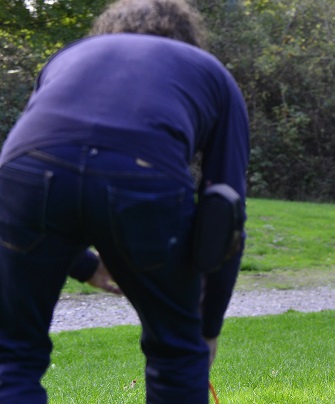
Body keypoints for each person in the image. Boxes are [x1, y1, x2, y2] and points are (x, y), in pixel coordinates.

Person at [0, 0, 248, 402]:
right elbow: (226, 210)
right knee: (175, 353)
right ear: (187, 38)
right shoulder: (212, 74)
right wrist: (204, 329)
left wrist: (85, 266)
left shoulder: (71, 55)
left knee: (11, 355)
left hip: (25, 172)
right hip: (144, 173)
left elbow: (51, 162)